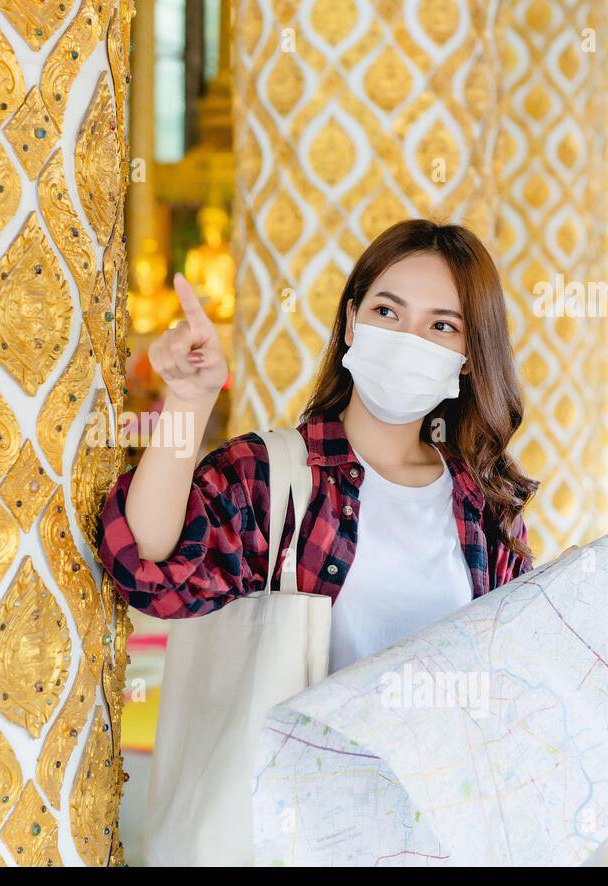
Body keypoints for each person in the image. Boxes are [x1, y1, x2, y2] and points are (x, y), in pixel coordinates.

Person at [96, 219, 545, 673]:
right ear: (352, 322)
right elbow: (151, 563)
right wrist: (189, 401)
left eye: (442, 325)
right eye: (387, 312)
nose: (408, 340)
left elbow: (510, 672)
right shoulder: (269, 476)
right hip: (292, 746)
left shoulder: (484, 504)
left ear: (469, 358)